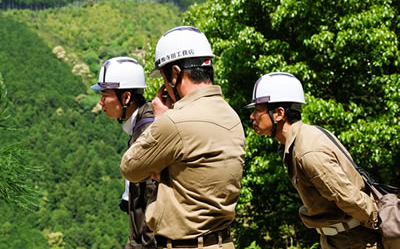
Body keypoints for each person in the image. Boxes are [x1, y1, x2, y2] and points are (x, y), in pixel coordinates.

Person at [120, 26, 246, 249]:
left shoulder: (175, 122)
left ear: (175, 73)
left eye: (164, 80)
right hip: (222, 242)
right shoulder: (231, 116)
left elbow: (130, 168)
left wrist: (159, 120)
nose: (165, 87)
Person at [246, 72, 381, 249]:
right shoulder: (299, 141)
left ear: (279, 113)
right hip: (339, 239)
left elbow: (348, 197)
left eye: (257, 110)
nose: (252, 117)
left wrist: (380, 223)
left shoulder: (307, 151)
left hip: (354, 241)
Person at [91, 56, 157, 249]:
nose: (101, 103)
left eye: (105, 95)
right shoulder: (140, 126)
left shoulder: (147, 134)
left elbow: (152, 204)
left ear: (126, 97)